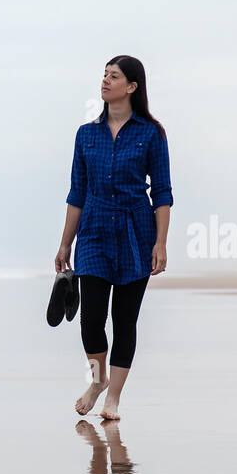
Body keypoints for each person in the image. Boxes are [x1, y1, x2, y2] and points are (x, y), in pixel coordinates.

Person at [54, 55, 173, 421]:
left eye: (114, 76)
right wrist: (64, 243)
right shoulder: (86, 134)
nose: (105, 81)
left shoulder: (151, 133)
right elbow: (78, 193)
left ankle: (113, 399)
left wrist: (160, 242)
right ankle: (97, 380)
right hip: (93, 233)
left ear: (132, 87)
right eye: (104, 75)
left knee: (125, 321)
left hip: (137, 234)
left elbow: (163, 193)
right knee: (90, 320)